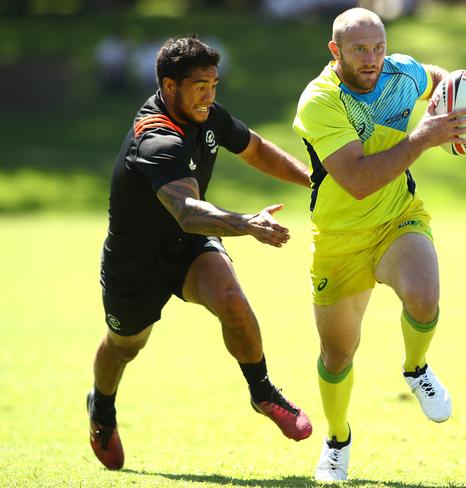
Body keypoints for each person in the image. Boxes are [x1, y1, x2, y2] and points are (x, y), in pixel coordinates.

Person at [87, 35, 313, 471]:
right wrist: (247, 223)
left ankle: (263, 393)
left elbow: (256, 149)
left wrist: (313, 180)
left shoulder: (210, 117)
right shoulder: (155, 140)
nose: (209, 95)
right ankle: (102, 411)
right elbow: (188, 211)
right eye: (200, 86)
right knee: (124, 346)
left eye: (214, 84)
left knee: (231, 298)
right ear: (169, 87)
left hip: (187, 246)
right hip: (136, 260)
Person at [293, 8, 466, 481]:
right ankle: (337, 440)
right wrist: (423, 137)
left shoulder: (399, 70)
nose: (373, 59)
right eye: (360, 50)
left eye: (378, 47)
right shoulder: (320, 101)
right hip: (339, 238)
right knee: (338, 354)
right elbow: (357, 180)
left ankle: (416, 368)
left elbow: (439, 78)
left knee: (424, 296)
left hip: (398, 217)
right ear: (335, 52)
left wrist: (457, 102)